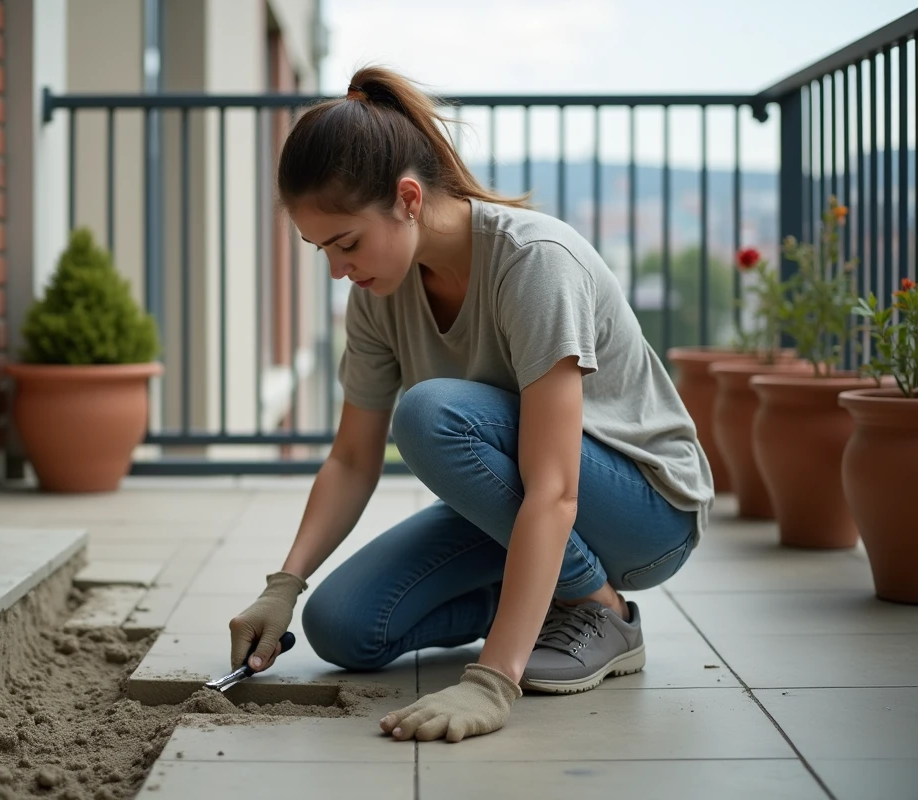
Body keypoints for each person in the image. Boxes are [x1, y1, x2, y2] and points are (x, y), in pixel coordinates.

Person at [227, 66, 714, 744]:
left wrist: (493, 680)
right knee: (342, 626)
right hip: (527, 502)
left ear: (408, 198)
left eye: (347, 243)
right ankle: (538, 603)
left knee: (430, 415)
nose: (339, 269)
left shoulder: (533, 262)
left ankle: (600, 607)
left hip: (643, 512)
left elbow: (555, 490)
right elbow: (352, 460)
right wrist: (284, 585)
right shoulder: (377, 294)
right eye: (322, 251)